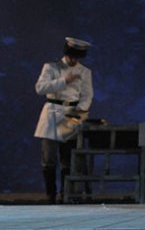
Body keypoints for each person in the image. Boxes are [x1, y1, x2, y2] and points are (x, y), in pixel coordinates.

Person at [34, 37, 93, 204]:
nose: (74, 60)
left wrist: (78, 113)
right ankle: (50, 195)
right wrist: (63, 81)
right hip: (52, 113)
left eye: (77, 57)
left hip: (71, 114)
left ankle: (65, 194)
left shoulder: (84, 72)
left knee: (68, 159)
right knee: (48, 158)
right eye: (72, 57)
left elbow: (87, 96)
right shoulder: (51, 67)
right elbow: (40, 88)